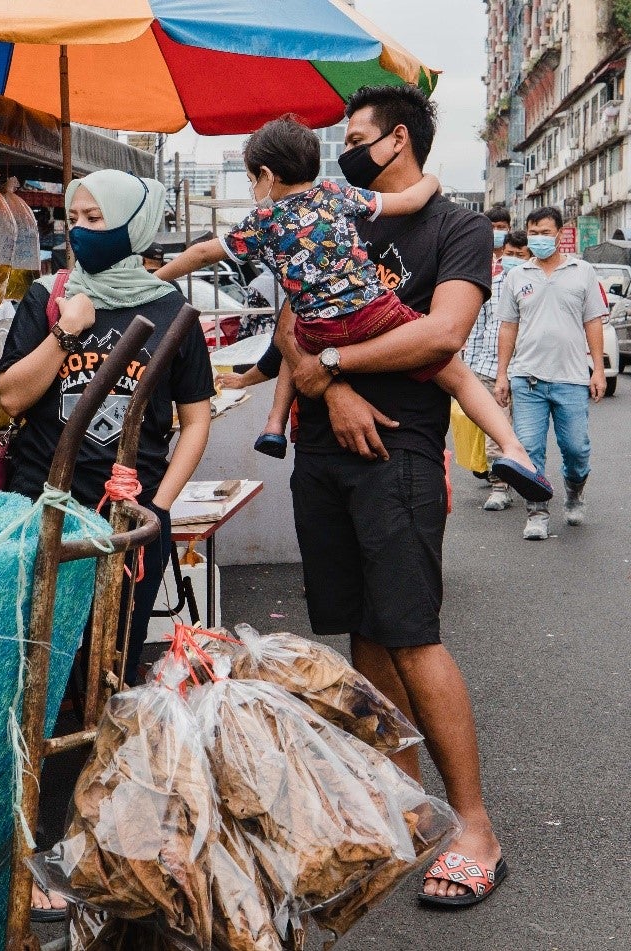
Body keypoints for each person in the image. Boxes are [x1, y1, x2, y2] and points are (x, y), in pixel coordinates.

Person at [266, 84, 507, 907]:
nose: (344, 147)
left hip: (399, 448)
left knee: (410, 632)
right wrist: (322, 385)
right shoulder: (341, 212)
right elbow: (291, 314)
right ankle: (405, 807)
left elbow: (442, 334)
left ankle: (476, 828)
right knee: (360, 630)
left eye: (357, 134)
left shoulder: (456, 227)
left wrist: (334, 369)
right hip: (321, 448)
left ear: (396, 140)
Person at [0, 169, 215, 919]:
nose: (77, 226)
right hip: (43, 515)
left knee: (106, 673)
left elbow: (196, 420)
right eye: (72, 213)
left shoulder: (172, 312)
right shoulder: (49, 298)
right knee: (38, 676)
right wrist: (67, 331)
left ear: (134, 224)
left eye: (94, 215)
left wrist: (159, 499)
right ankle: (33, 841)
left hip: (125, 529)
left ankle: (88, 840)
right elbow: (11, 397)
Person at [157, 118, 550, 503]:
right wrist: (432, 181)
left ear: (266, 174)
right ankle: (513, 449)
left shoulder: (261, 222)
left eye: (252, 180)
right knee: (459, 378)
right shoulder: (336, 194)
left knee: (293, 342)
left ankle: (274, 426)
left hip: (317, 331)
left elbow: (203, 252)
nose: (254, 188)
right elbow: (412, 200)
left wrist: (158, 278)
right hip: (374, 315)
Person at [494, 206, 608, 540]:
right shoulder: (517, 277)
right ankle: (537, 512)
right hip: (527, 378)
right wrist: (502, 374)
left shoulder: (582, 271)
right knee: (529, 448)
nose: (539, 239)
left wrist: (598, 370)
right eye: (533, 233)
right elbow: (508, 328)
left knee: (576, 449)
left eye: (545, 232)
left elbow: (593, 322)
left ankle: (574, 491)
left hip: (571, 378)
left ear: (560, 233)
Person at [464, 230, 531, 510]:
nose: (512, 259)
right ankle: (499, 485)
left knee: (526, 434)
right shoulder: (489, 285)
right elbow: (477, 327)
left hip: (528, 370)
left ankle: (527, 478)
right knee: (496, 430)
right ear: (500, 253)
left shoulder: (533, 287)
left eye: (520, 255)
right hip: (489, 368)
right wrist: (469, 369)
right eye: (509, 254)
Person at [486, 204, 512, 276]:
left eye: (501, 227)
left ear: (509, 229)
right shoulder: (477, 255)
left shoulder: (514, 257)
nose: (495, 231)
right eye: (491, 227)